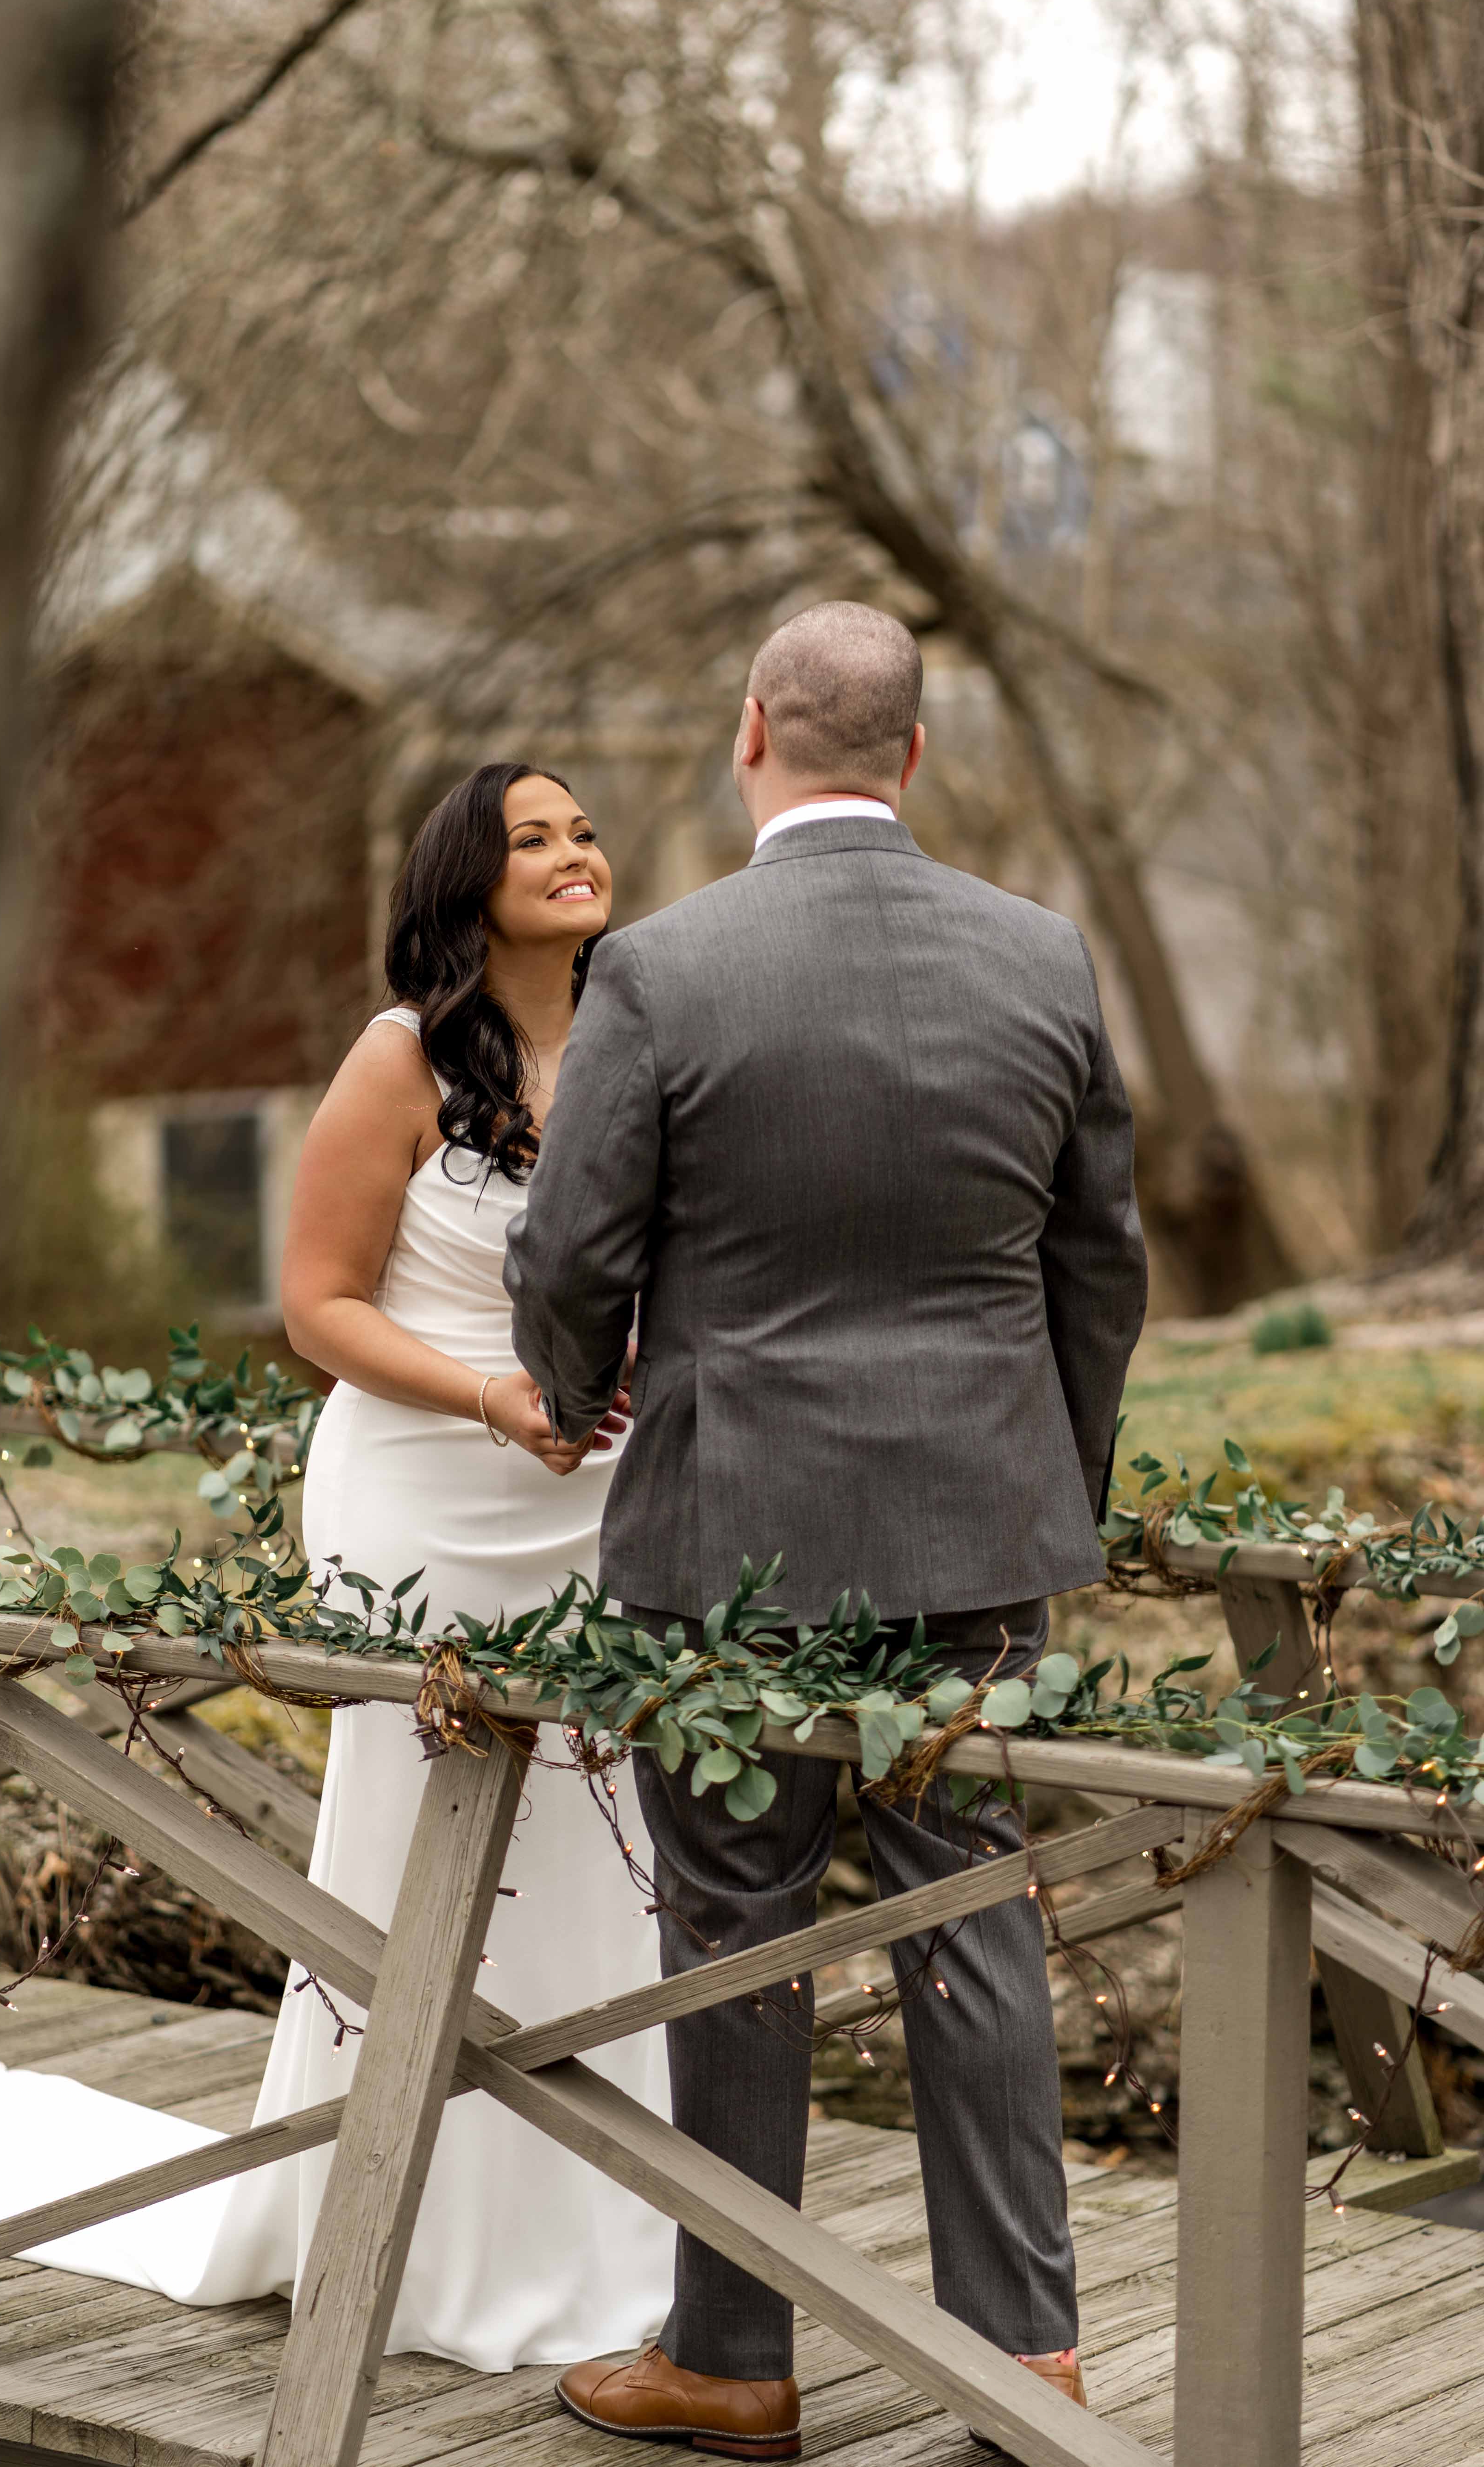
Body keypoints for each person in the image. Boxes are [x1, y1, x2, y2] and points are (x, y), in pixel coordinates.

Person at [0, 762, 675, 2372]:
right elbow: (320, 1305)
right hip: (425, 1490)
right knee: (421, 1844)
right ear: (466, 884)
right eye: (534, 839)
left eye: (586, 832)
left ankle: (612, 2227)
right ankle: (395, 2217)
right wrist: (490, 1396)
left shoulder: (647, 1035)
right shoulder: (401, 1059)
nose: (576, 855)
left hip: (597, 1498)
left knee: (604, 1844)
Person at [505, 602, 1148, 2454]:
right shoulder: (1043, 955)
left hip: (730, 1536)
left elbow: (572, 1258)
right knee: (972, 1913)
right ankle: (1027, 2363)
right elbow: (1099, 1268)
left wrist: (578, 1395)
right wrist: (1052, 1482)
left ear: (750, 735)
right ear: (916, 752)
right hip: (978, 1532)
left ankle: (734, 2357)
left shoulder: (663, 970)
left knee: (735, 1929)